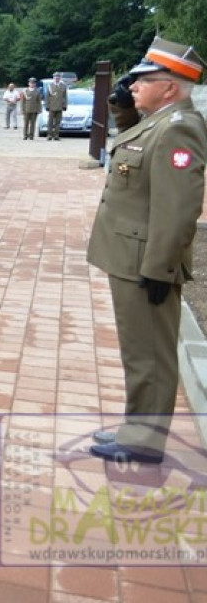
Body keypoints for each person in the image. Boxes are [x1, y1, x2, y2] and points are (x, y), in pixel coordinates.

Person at [87, 37, 207, 464]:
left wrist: (160, 267)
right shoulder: (161, 120)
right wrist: (123, 106)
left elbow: (178, 209)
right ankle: (137, 427)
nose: (133, 85)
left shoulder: (179, 127)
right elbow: (132, 148)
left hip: (145, 261)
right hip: (133, 256)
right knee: (139, 349)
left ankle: (143, 439)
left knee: (149, 354)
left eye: (143, 80)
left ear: (170, 86)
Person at [44, 71, 68, 140]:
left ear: (60, 78)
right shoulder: (50, 86)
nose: (57, 78)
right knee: (50, 122)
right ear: (53, 78)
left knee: (58, 122)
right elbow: (47, 97)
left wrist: (65, 105)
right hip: (51, 106)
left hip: (60, 106)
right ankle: (49, 135)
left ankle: (56, 135)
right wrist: (47, 106)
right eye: (55, 77)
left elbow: (65, 96)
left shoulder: (63, 86)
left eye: (58, 77)